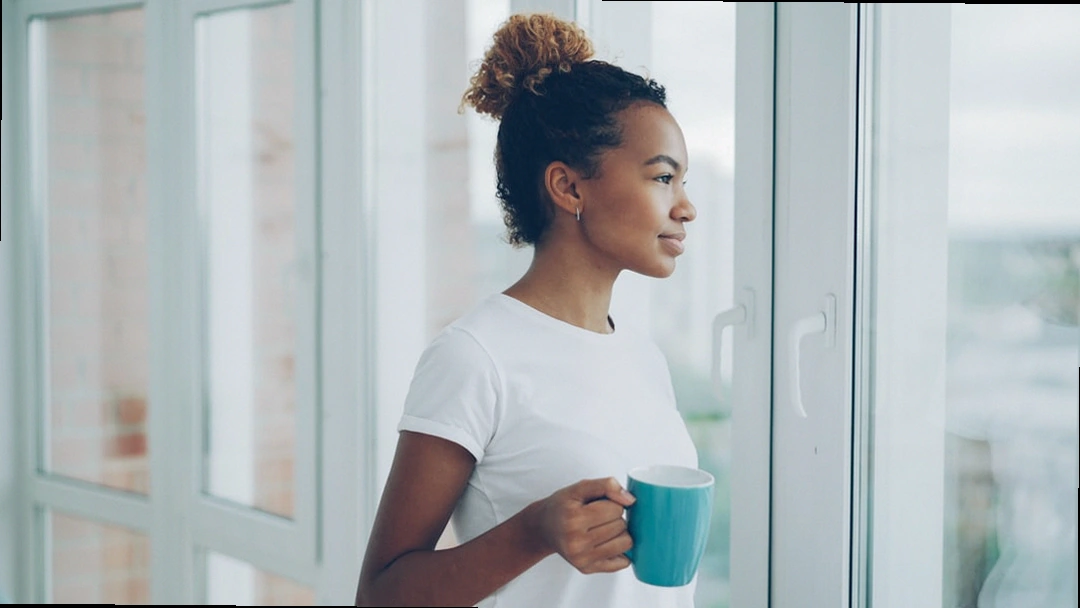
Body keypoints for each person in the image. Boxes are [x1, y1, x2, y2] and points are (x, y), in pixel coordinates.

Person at [355, 12, 699, 608]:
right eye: (663, 177)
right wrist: (534, 531)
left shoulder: (644, 358)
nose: (687, 207)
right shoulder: (474, 358)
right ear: (569, 188)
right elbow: (380, 595)